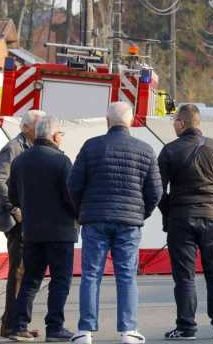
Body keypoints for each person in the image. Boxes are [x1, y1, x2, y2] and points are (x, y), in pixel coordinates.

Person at [68, 102, 162, 344]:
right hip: (129, 223)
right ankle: (128, 331)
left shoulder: (91, 147)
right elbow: (156, 191)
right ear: (130, 121)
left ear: (107, 121)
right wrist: (141, 213)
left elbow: (74, 185)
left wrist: (82, 212)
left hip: (95, 219)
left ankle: (85, 332)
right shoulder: (145, 150)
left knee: (90, 274)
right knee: (126, 275)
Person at [158, 104, 213, 341]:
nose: (173, 124)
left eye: (174, 121)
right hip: (212, 219)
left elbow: (157, 189)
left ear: (182, 124)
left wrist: (170, 210)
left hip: (181, 220)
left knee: (184, 277)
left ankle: (186, 328)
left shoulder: (170, 151)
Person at [7, 116, 77, 342]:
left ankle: (19, 327)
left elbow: (13, 197)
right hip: (60, 232)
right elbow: (71, 197)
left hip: (32, 231)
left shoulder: (20, 161)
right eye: (61, 135)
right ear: (55, 136)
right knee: (60, 281)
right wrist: (78, 215)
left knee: (30, 280)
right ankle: (54, 328)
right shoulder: (62, 162)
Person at [0, 109, 45, 338]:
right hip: (17, 222)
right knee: (19, 272)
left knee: (24, 271)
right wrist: (14, 207)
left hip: (28, 221)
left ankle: (16, 323)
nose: (41, 131)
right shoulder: (14, 147)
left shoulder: (30, 148)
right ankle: (12, 326)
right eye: (38, 126)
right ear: (26, 128)